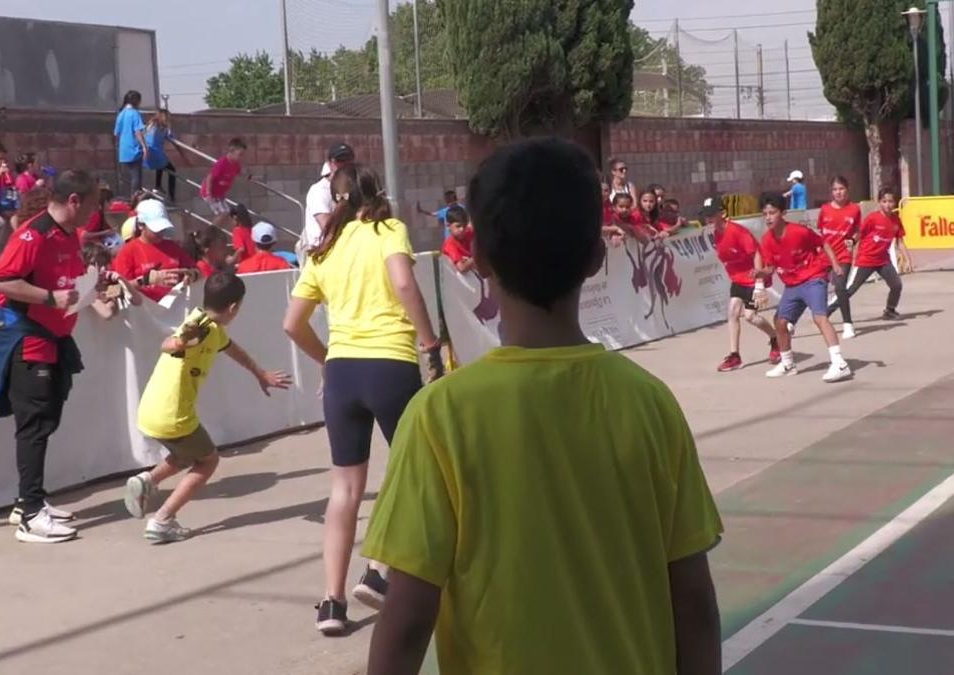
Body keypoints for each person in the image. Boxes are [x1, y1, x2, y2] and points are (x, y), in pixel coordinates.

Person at [361, 137, 723, 675]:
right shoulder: (649, 404)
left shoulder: (441, 416)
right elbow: (693, 602)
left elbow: (409, 617)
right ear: (598, 256)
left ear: (478, 255)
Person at [282, 163, 443, 635]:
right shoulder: (389, 230)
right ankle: (377, 569)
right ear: (379, 196)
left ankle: (331, 602)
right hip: (390, 364)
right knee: (414, 471)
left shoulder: (323, 250)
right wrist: (430, 343)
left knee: (345, 489)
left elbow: (292, 324)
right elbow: (405, 284)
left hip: (343, 373)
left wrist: (328, 358)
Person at [122, 272, 290, 541]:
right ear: (234, 308)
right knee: (208, 461)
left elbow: (232, 348)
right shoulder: (199, 331)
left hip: (151, 410)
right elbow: (169, 344)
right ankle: (162, 520)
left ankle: (147, 481)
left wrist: (260, 373)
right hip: (173, 415)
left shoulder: (204, 322)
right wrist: (176, 343)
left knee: (185, 454)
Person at [0, 170, 97, 544]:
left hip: (56, 341)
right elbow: (0, 280)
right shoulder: (33, 234)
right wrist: (49, 298)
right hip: (29, 343)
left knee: (47, 420)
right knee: (33, 428)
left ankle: (26, 501)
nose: (95, 213)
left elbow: (66, 281)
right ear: (74, 201)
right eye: (92, 204)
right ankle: (31, 515)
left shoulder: (68, 235)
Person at [759, 192, 851, 382]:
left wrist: (834, 265)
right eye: (765, 214)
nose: (768, 217)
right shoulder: (767, 240)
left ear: (782, 213)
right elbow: (770, 268)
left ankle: (840, 364)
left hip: (813, 277)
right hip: (792, 285)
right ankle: (787, 364)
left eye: (772, 213)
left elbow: (823, 243)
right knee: (780, 323)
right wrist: (761, 274)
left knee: (820, 318)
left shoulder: (799, 232)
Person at [701, 195, 781, 372]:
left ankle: (776, 338)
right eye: (706, 215)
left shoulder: (737, 231)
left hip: (753, 277)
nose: (708, 219)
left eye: (711, 215)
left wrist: (759, 283)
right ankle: (734, 356)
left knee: (750, 316)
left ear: (722, 213)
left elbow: (756, 255)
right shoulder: (716, 233)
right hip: (738, 279)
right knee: (732, 313)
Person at [832, 187, 913, 321]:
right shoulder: (873, 218)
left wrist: (908, 260)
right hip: (866, 260)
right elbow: (860, 233)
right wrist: (852, 241)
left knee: (896, 285)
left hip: (883, 261)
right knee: (851, 289)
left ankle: (889, 310)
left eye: (891, 201)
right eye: (884, 201)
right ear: (879, 202)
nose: (887, 205)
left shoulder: (896, 220)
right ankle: (828, 311)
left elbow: (900, 242)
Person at [112, 199, 199, 302]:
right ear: (141, 225)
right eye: (156, 229)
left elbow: (197, 271)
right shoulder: (127, 252)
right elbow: (118, 290)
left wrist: (191, 276)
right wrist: (145, 280)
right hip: (143, 313)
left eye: (162, 228)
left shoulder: (173, 247)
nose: (160, 232)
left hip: (175, 311)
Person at [816, 176, 861, 338]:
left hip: (843, 255)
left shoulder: (855, 209)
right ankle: (792, 321)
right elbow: (820, 232)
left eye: (841, 189)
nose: (838, 192)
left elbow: (857, 230)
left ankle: (848, 324)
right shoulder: (825, 209)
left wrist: (852, 240)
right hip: (824, 255)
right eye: (835, 189)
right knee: (813, 287)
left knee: (840, 286)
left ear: (847, 190)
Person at [302, 143, 355, 254]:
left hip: (345, 249)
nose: (344, 165)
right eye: (340, 161)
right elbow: (327, 226)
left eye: (348, 160)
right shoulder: (319, 191)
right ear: (330, 164)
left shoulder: (353, 188)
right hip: (321, 252)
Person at [80, 242, 141, 320]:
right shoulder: (79, 288)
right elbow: (107, 314)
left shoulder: (109, 287)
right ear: (84, 265)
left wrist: (122, 279)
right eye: (96, 264)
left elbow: (137, 301)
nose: (102, 269)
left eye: (104, 264)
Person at [144, 107, 190, 202]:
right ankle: (171, 195)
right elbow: (173, 141)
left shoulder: (150, 125)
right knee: (171, 170)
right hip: (156, 153)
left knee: (161, 165)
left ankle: (157, 185)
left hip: (149, 153)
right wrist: (183, 155)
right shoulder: (163, 127)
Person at [200, 138, 247, 216]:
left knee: (228, 213)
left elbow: (240, 173)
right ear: (231, 151)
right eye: (240, 154)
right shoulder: (222, 163)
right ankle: (212, 228)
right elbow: (210, 177)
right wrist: (208, 193)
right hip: (211, 192)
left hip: (220, 194)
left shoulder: (236, 165)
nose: (241, 157)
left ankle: (222, 227)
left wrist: (250, 177)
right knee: (222, 214)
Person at [114, 90, 148, 196]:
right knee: (136, 176)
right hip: (134, 148)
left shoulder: (121, 114)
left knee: (129, 176)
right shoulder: (134, 113)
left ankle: (130, 198)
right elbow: (138, 131)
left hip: (124, 149)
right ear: (136, 101)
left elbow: (116, 133)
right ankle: (135, 199)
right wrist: (144, 147)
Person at [439, 205, 475, 273]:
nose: (462, 229)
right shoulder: (450, 244)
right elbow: (461, 268)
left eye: (464, 226)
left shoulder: (469, 233)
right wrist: (476, 257)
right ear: (448, 225)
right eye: (458, 226)